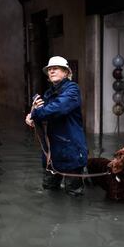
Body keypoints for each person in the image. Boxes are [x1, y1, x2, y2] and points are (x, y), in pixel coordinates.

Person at [25, 56, 88, 196]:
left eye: (55, 68)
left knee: (74, 194)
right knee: (49, 189)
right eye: (49, 69)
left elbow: (57, 109)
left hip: (72, 151)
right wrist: (31, 116)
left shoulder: (72, 90)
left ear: (66, 72)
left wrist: (36, 114)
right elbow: (42, 114)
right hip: (52, 154)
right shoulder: (48, 93)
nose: (51, 71)